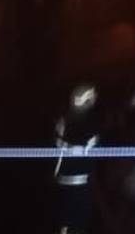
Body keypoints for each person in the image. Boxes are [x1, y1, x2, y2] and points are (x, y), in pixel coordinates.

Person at [53, 84, 100, 234]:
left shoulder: (92, 122)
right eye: (88, 98)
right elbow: (58, 143)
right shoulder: (65, 121)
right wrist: (72, 149)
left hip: (83, 183)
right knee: (67, 223)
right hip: (68, 183)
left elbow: (93, 143)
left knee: (77, 224)